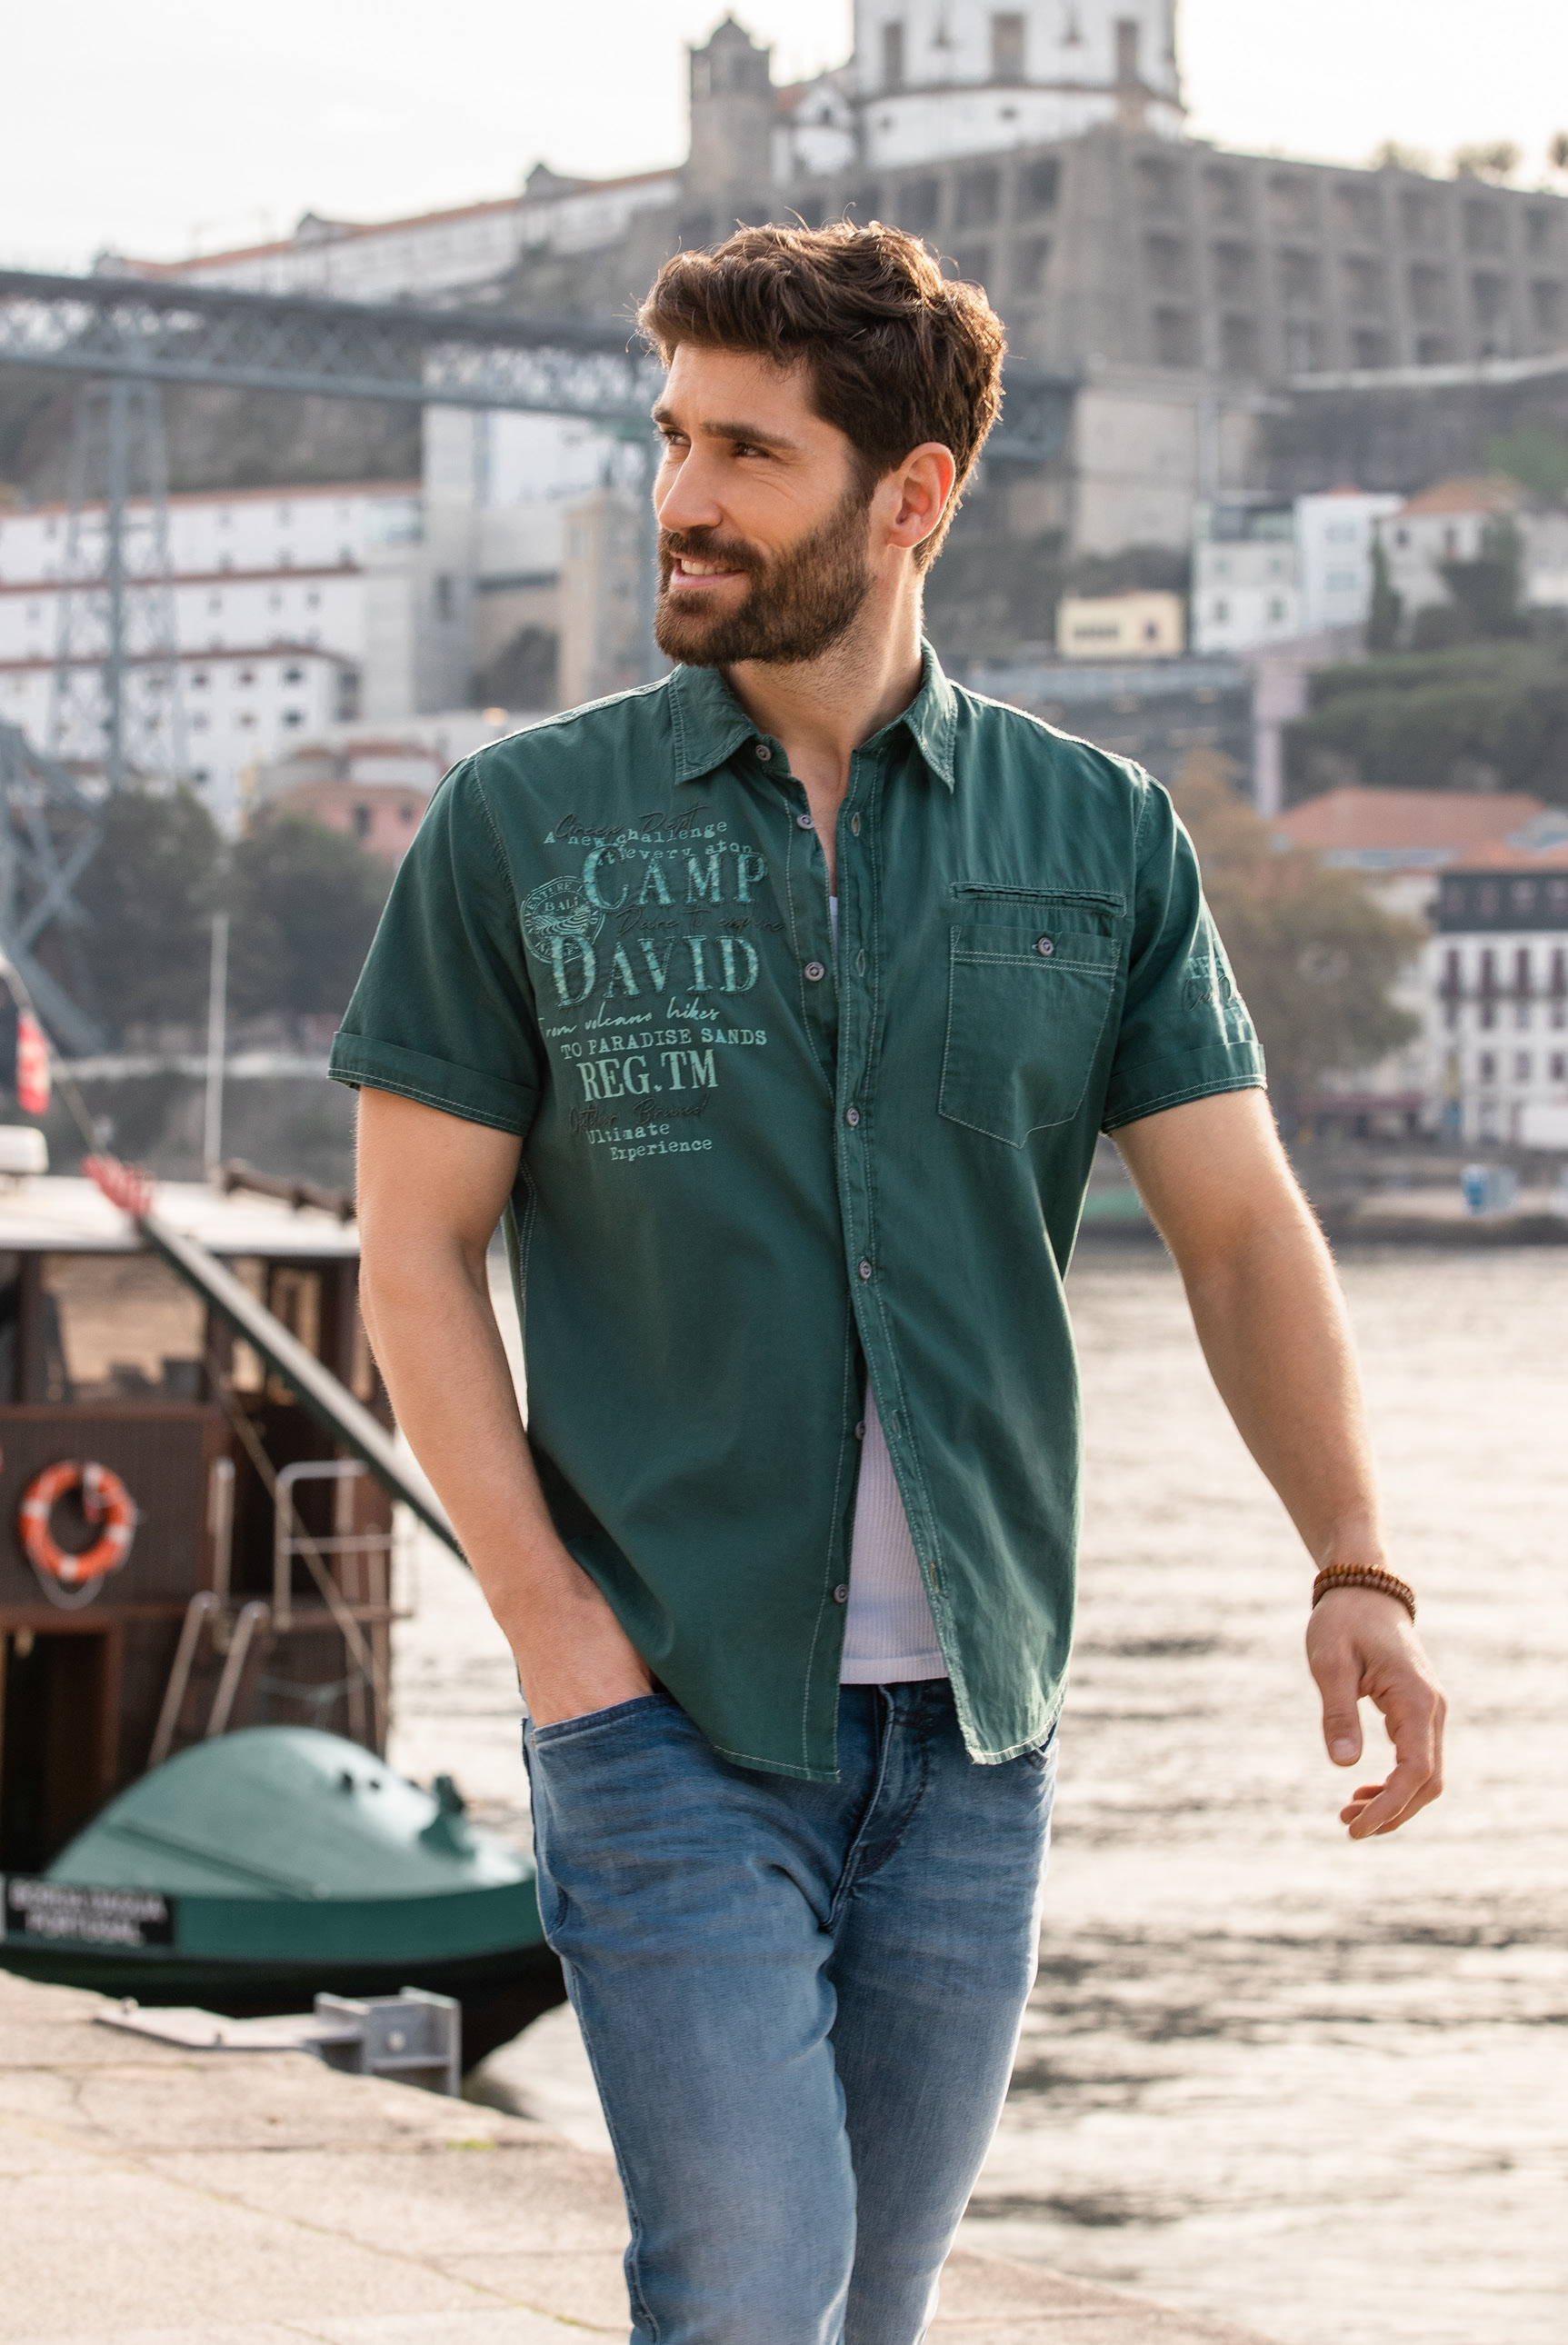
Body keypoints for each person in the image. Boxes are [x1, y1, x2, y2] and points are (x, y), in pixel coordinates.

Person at [332, 223, 1445, 2345]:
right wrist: (556, 1641)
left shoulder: (1098, 838)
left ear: (909, 495)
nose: (681, 497)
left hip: (973, 1731)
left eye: (746, 452)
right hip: (662, 1710)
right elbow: (415, 1257)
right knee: (748, 2283)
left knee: (873, 2309)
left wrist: (1352, 1563)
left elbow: (1233, 1230)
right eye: (671, 438)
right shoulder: (516, 829)